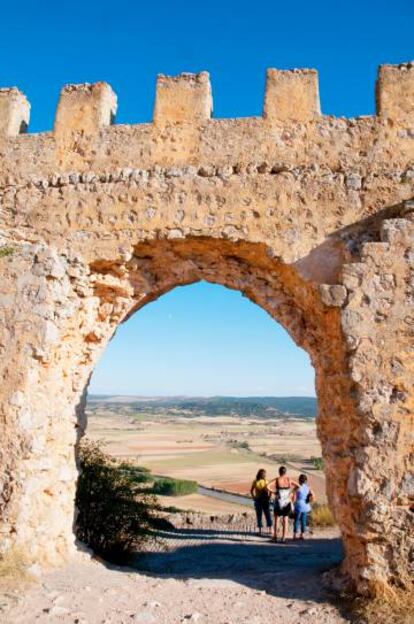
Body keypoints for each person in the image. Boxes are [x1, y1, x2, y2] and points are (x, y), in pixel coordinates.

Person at [268, 466, 298, 543]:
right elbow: (298, 486)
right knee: (285, 520)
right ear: (285, 472)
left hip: (278, 502)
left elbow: (267, 486)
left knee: (276, 519)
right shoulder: (289, 480)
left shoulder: (277, 479)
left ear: (279, 472)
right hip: (287, 502)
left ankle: (275, 537)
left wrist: (274, 492)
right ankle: (283, 538)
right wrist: (291, 492)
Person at [250, 469, 272, 535]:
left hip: (258, 500)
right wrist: (269, 497)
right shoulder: (266, 481)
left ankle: (260, 531)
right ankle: (270, 530)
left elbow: (251, 491)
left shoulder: (255, 481)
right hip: (265, 500)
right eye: (264, 474)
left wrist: (254, 497)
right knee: (267, 515)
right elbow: (270, 490)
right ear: (262, 474)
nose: (265, 475)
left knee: (259, 515)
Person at [293, 474, 314, 540]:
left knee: (296, 520)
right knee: (303, 520)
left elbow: (293, 496)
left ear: (299, 480)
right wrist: (309, 500)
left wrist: (293, 503)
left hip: (299, 505)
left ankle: (295, 534)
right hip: (306, 505)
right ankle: (302, 535)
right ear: (306, 481)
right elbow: (312, 495)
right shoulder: (308, 487)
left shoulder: (297, 487)